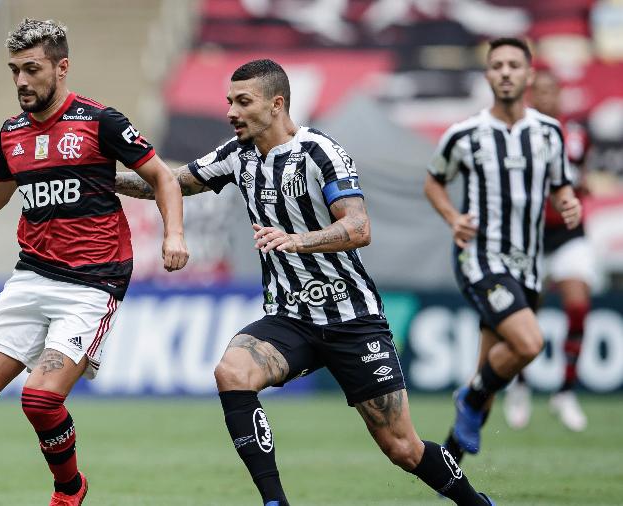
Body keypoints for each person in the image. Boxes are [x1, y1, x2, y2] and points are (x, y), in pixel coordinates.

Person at [116, 59, 494, 506]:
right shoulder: (236, 156)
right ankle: (275, 502)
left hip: (351, 317)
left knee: (402, 448)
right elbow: (168, 182)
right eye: (228, 102)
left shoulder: (320, 153)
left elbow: (359, 227)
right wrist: (98, 180)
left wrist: (298, 240)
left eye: (243, 102)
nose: (231, 112)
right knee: (231, 372)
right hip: (290, 318)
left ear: (276, 105)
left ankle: (476, 504)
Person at [0, 19, 188, 506]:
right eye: (14, 70)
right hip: (31, 276)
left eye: (31, 69)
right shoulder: (11, 134)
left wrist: (174, 234)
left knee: (39, 400)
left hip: (92, 284)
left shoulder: (101, 121)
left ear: (61, 68)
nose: (20, 81)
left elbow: (163, 177)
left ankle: (69, 490)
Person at [423, 38, 582, 463]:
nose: (506, 72)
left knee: (491, 372)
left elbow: (561, 184)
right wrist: (453, 217)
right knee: (529, 344)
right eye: (498, 65)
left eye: (515, 65)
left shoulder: (548, 132)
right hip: (481, 258)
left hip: (529, 266)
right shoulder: (465, 134)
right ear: (488, 75)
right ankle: (469, 400)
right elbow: (433, 181)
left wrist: (567, 200)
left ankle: (448, 470)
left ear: (529, 75)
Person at [502, 69, 595, 432]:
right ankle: (520, 386)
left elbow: (580, 176)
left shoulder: (577, 135)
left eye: (550, 91)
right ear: (529, 96)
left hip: (569, 234)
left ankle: (565, 391)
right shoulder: (514, 136)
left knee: (577, 305)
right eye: (537, 92)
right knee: (525, 318)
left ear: (559, 95)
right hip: (529, 238)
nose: (545, 98)